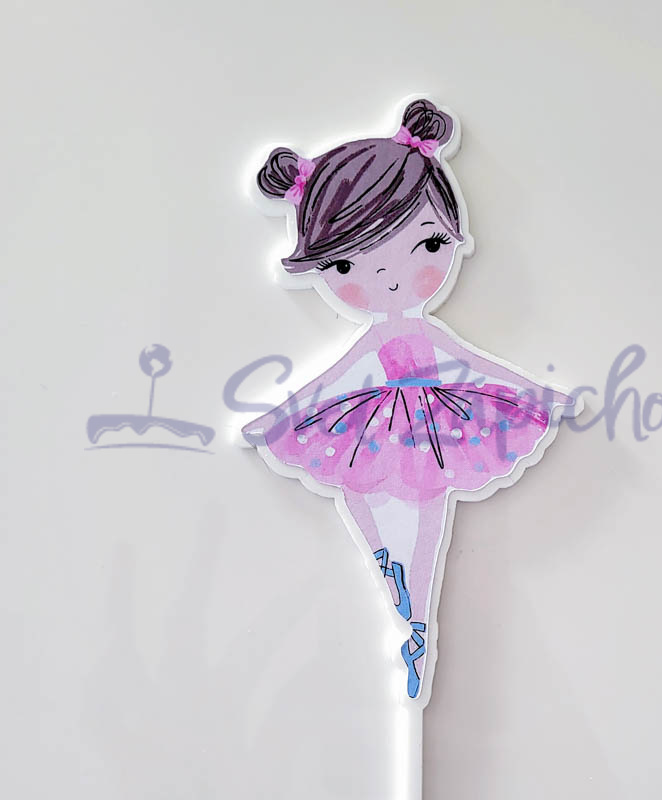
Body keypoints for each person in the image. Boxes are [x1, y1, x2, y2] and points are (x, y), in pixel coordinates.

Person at [242, 99, 577, 701]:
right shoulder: (379, 338)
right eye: (349, 262)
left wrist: (532, 395)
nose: (391, 278)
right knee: (371, 504)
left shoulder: (427, 333)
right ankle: (399, 593)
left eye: (426, 244)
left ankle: (415, 615)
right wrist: (284, 416)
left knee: (426, 518)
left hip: (434, 425)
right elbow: (338, 374)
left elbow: (473, 364)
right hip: (373, 422)